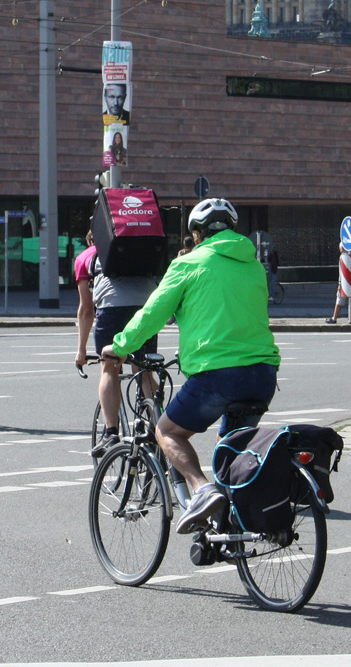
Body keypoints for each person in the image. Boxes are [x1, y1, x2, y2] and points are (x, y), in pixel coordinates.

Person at [101, 197, 281, 534]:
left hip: (217, 374)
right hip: (262, 373)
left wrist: (121, 346)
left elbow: (152, 314)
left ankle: (201, 490)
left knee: (168, 431)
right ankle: (229, 527)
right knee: (230, 445)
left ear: (197, 235)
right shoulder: (253, 265)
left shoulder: (189, 264)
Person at [74, 230, 159, 458]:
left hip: (112, 309)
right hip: (146, 306)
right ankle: (156, 423)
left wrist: (81, 350)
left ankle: (111, 431)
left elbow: (86, 309)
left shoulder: (86, 257)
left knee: (109, 366)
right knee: (144, 371)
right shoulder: (140, 250)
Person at [325, 244, 351, 324]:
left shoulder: (343, 257)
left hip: (344, 283)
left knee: (339, 300)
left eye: (340, 247)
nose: (339, 249)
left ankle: (334, 318)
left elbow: (342, 273)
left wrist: (339, 284)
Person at [249, 229, 279, 303]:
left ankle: (271, 296)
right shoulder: (270, 252)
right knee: (270, 282)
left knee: (271, 282)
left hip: (271, 269)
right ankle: (270, 296)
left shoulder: (270, 253)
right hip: (271, 269)